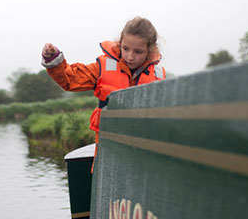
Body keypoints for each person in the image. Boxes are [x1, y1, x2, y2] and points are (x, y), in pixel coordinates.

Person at [41, 16, 166, 167]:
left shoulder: (159, 75)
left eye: (138, 51)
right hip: (109, 157)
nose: (130, 56)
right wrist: (54, 60)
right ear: (120, 43)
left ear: (150, 51)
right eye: (125, 48)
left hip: (144, 158)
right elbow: (71, 80)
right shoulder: (102, 68)